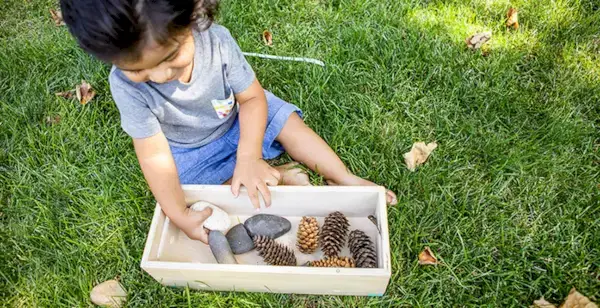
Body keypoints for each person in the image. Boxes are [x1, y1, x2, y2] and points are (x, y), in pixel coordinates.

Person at [60, 0, 397, 243]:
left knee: (287, 121)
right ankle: (279, 176)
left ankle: (343, 177)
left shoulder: (216, 42)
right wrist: (179, 214)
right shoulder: (124, 87)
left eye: (171, 57)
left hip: (239, 118)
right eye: (137, 70)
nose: (160, 76)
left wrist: (248, 157)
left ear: (194, 14)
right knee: (204, 196)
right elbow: (153, 156)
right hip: (190, 150)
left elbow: (252, 99)